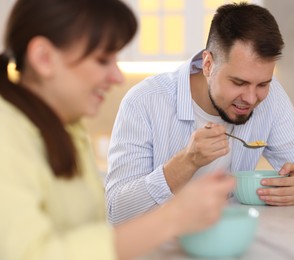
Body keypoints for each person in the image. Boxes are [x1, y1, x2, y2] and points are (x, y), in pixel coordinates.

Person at [0, 0, 236, 259]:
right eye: (103, 60)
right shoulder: (6, 135)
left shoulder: (68, 127)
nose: (117, 77)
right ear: (44, 58)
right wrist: (173, 217)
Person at [106, 2, 294, 224]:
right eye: (239, 82)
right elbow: (118, 211)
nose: (252, 98)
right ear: (207, 64)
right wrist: (187, 161)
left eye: (262, 84)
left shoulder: (271, 98)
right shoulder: (145, 101)